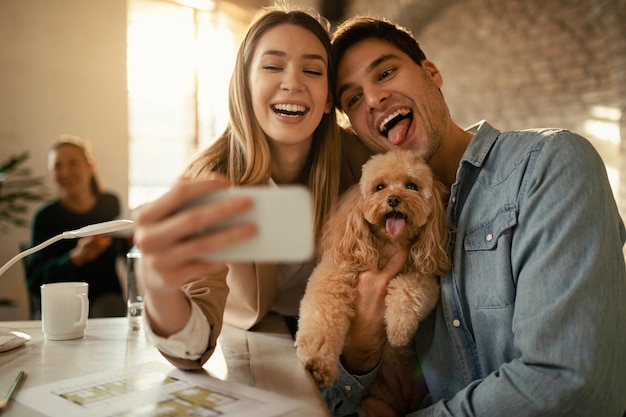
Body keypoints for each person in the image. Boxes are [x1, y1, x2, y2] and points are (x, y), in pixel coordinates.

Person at [321, 16, 626, 417]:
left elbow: (570, 385)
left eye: (386, 72)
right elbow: (341, 400)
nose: (374, 98)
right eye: (354, 99)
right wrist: (359, 350)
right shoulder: (380, 230)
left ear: (431, 73)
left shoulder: (549, 165)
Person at [132, 6, 372, 370]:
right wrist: (161, 291)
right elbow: (193, 347)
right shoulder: (211, 180)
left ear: (328, 100)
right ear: (244, 86)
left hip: (346, 346)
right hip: (256, 349)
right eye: (273, 66)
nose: (292, 83)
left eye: (312, 70)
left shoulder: (362, 163)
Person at [27, 135, 128, 319]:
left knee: (110, 307)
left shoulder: (110, 204)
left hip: (105, 300)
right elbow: (35, 281)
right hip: (59, 303)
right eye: (58, 166)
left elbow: (121, 246)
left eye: (73, 163)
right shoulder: (45, 217)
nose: (65, 172)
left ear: (90, 166)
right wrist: (75, 258)